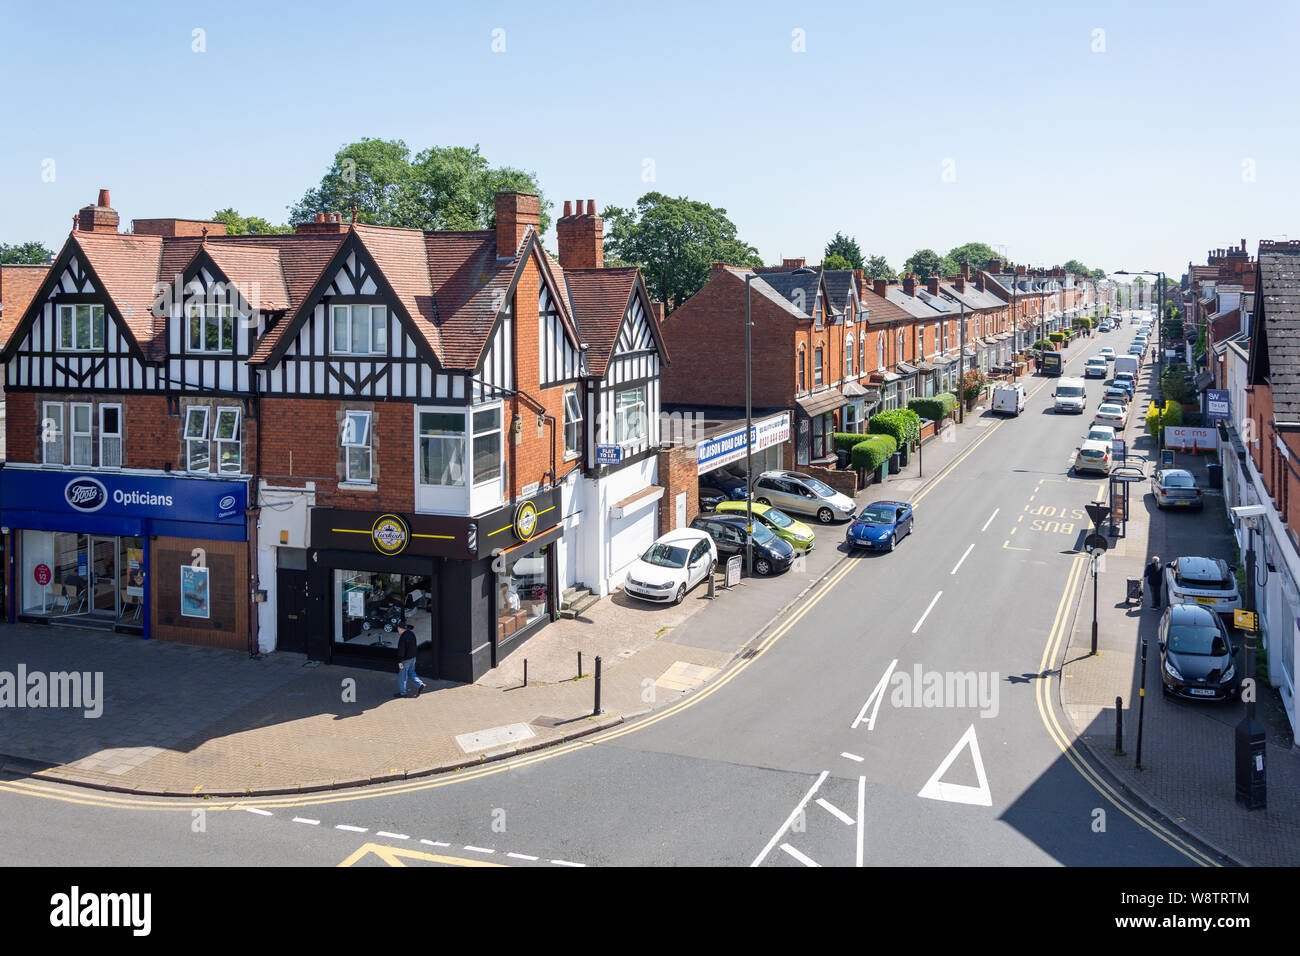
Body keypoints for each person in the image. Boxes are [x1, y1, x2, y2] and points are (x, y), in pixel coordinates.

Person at [395, 623, 425, 698]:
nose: (397, 630)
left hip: (405, 660)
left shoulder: (403, 637)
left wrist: (400, 661)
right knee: (411, 672)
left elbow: (401, 650)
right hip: (413, 658)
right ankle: (420, 684)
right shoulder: (411, 633)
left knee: (402, 676)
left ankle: (403, 693)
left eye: (398, 628)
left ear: (401, 629)